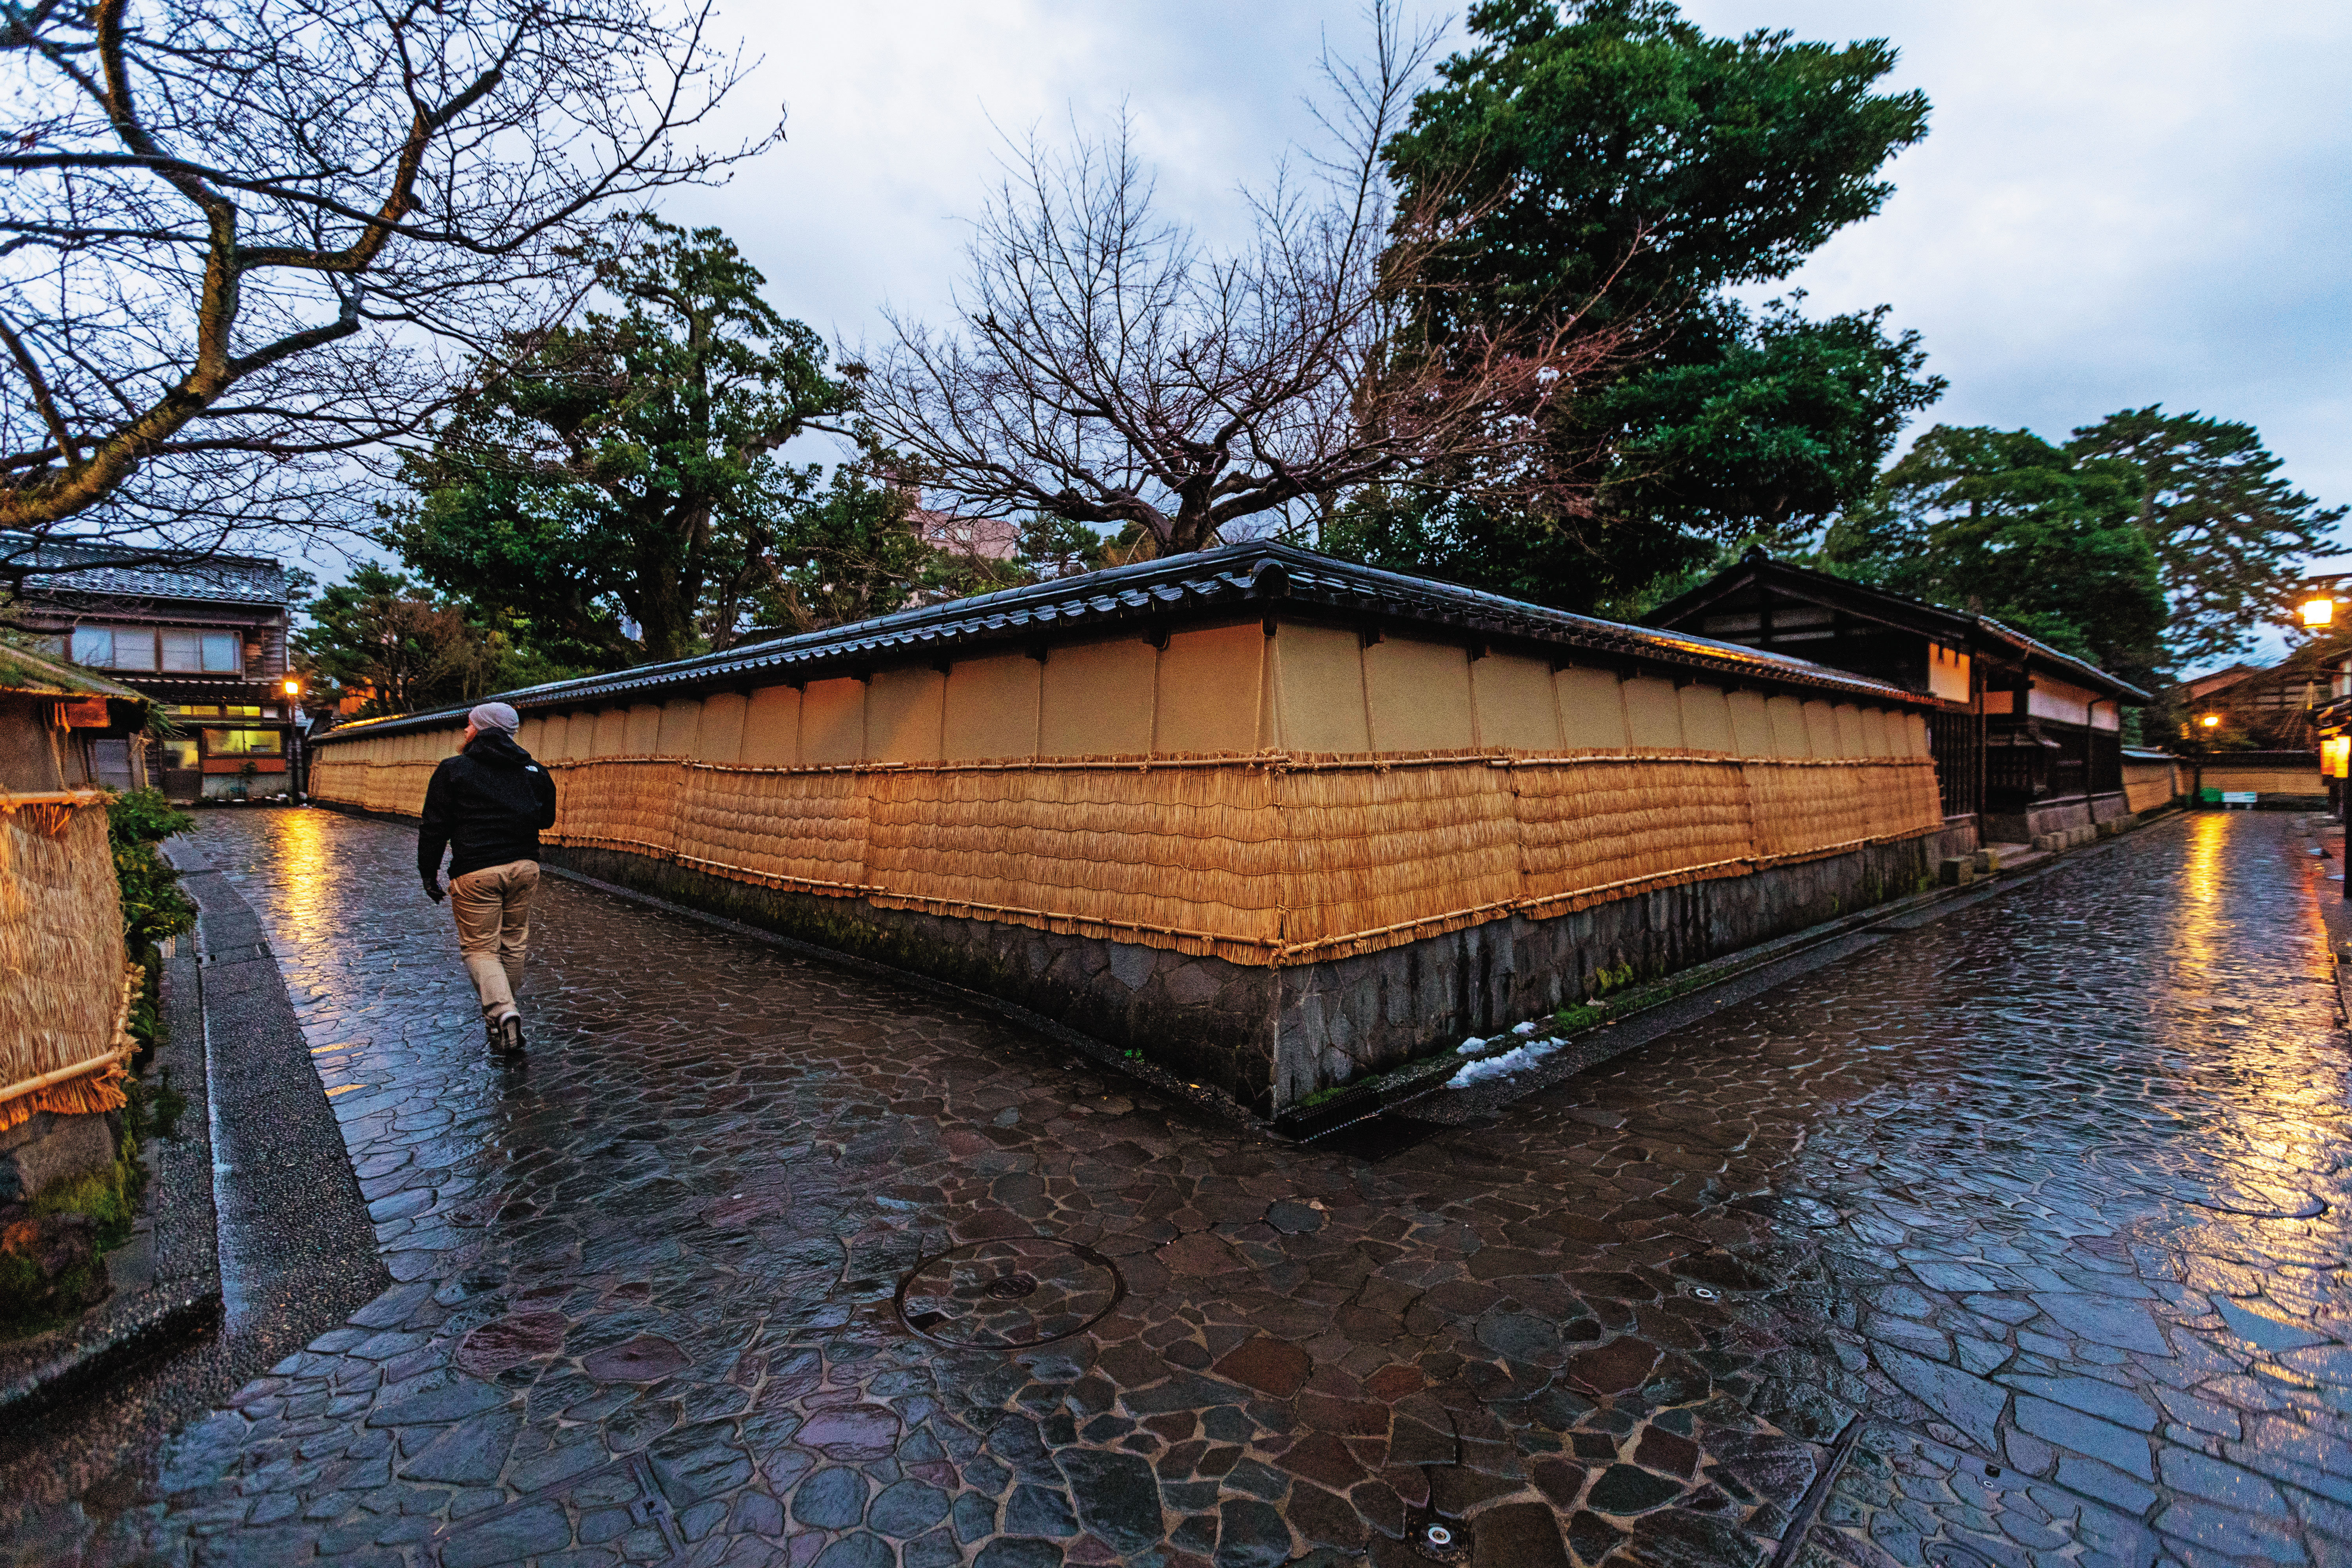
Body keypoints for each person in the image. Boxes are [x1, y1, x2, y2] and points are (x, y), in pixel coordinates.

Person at [418, 702, 559, 1053]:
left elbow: (435, 826)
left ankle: (503, 1011)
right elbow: (546, 820)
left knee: (480, 948)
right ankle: (501, 1019)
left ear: (481, 729)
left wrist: (429, 873)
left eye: (469, 725)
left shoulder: (454, 770)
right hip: (525, 868)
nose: (465, 731)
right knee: (513, 943)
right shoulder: (535, 771)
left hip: (476, 871)